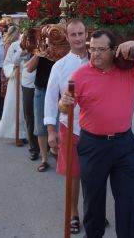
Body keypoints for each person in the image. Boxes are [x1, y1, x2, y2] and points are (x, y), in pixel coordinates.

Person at [60, 29, 134, 238]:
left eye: (101, 49)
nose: (94, 53)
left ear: (114, 50)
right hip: (93, 145)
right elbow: (63, 106)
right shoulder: (80, 74)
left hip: (124, 145)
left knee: (128, 202)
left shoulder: (128, 69)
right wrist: (63, 103)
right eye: (92, 48)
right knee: (93, 203)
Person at [44, 19, 89, 233]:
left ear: (87, 34)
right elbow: (50, 100)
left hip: (95, 128)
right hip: (70, 126)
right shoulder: (60, 66)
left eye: (81, 33)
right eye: (74, 35)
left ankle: (92, 211)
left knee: (95, 174)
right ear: (67, 37)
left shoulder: (98, 60)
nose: (79, 38)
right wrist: (51, 131)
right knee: (74, 174)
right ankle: (74, 213)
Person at [0, 33, 27, 140]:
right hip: (16, 80)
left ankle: (29, 135)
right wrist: (15, 65)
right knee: (16, 107)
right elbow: (7, 63)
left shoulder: (37, 45)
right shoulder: (14, 45)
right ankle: (17, 134)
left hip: (30, 80)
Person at [29, 47, 55, 171]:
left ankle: (58, 154)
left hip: (59, 92)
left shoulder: (65, 49)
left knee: (61, 124)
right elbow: (29, 68)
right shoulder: (41, 48)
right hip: (42, 90)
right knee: (40, 126)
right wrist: (38, 54)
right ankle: (44, 159)